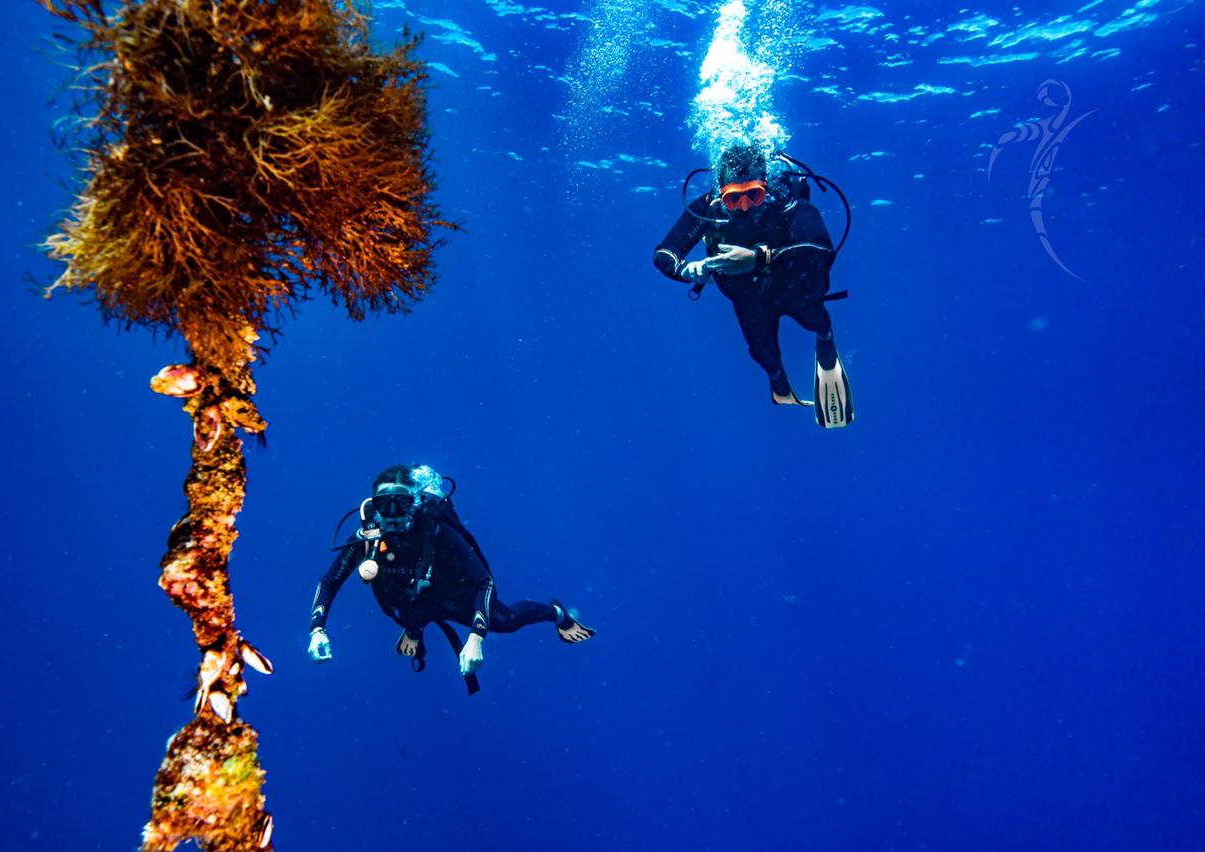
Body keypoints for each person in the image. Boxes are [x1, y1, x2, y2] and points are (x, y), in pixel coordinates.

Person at [307, 464, 595, 691]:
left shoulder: (436, 532)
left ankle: (558, 614)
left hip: (451, 597)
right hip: (410, 603)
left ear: (416, 502)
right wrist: (317, 630)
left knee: (506, 621)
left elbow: (484, 582)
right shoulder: (367, 539)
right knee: (393, 597)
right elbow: (329, 582)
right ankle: (414, 627)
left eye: (402, 503)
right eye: (385, 504)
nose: (393, 514)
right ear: (373, 506)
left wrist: (476, 637)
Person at [653, 141, 854, 428]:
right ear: (721, 193)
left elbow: (820, 250)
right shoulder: (710, 208)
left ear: (767, 186)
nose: (745, 207)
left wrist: (760, 257)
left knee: (816, 321)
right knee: (764, 355)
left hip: (794, 287)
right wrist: (686, 270)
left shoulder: (786, 203)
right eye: (734, 199)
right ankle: (779, 383)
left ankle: (825, 340)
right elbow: (664, 253)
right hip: (749, 298)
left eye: (754, 195)